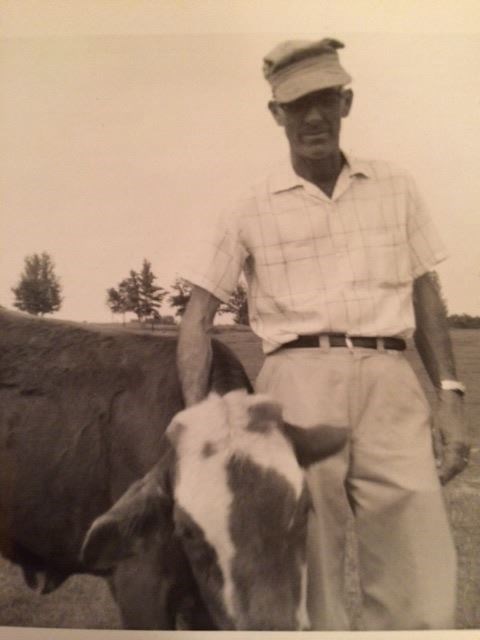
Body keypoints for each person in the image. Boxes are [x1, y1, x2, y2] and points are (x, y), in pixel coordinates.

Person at [176, 38, 469, 630]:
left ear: (347, 102)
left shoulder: (396, 185)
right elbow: (196, 318)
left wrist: (449, 393)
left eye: (326, 99)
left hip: (391, 382)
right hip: (295, 385)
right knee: (307, 564)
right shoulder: (247, 206)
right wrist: (201, 426)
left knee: (419, 560)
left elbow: (426, 292)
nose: (314, 116)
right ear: (276, 114)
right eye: (298, 103)